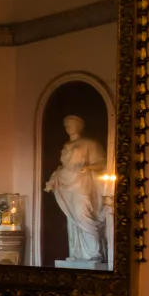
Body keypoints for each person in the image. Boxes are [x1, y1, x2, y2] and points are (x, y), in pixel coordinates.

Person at [45, 114, 109, 267]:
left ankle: (94, 254)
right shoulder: (66, 145)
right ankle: (78, 254)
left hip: (83, 184)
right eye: (66, 124)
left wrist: (88, 167)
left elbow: (102, 162)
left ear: (79, 126)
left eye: (71, 124)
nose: (68, 127)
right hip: (67, 186)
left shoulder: (89, 143)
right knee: (72, 219)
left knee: (84, 214)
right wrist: (53, 179)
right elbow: (63, 167)